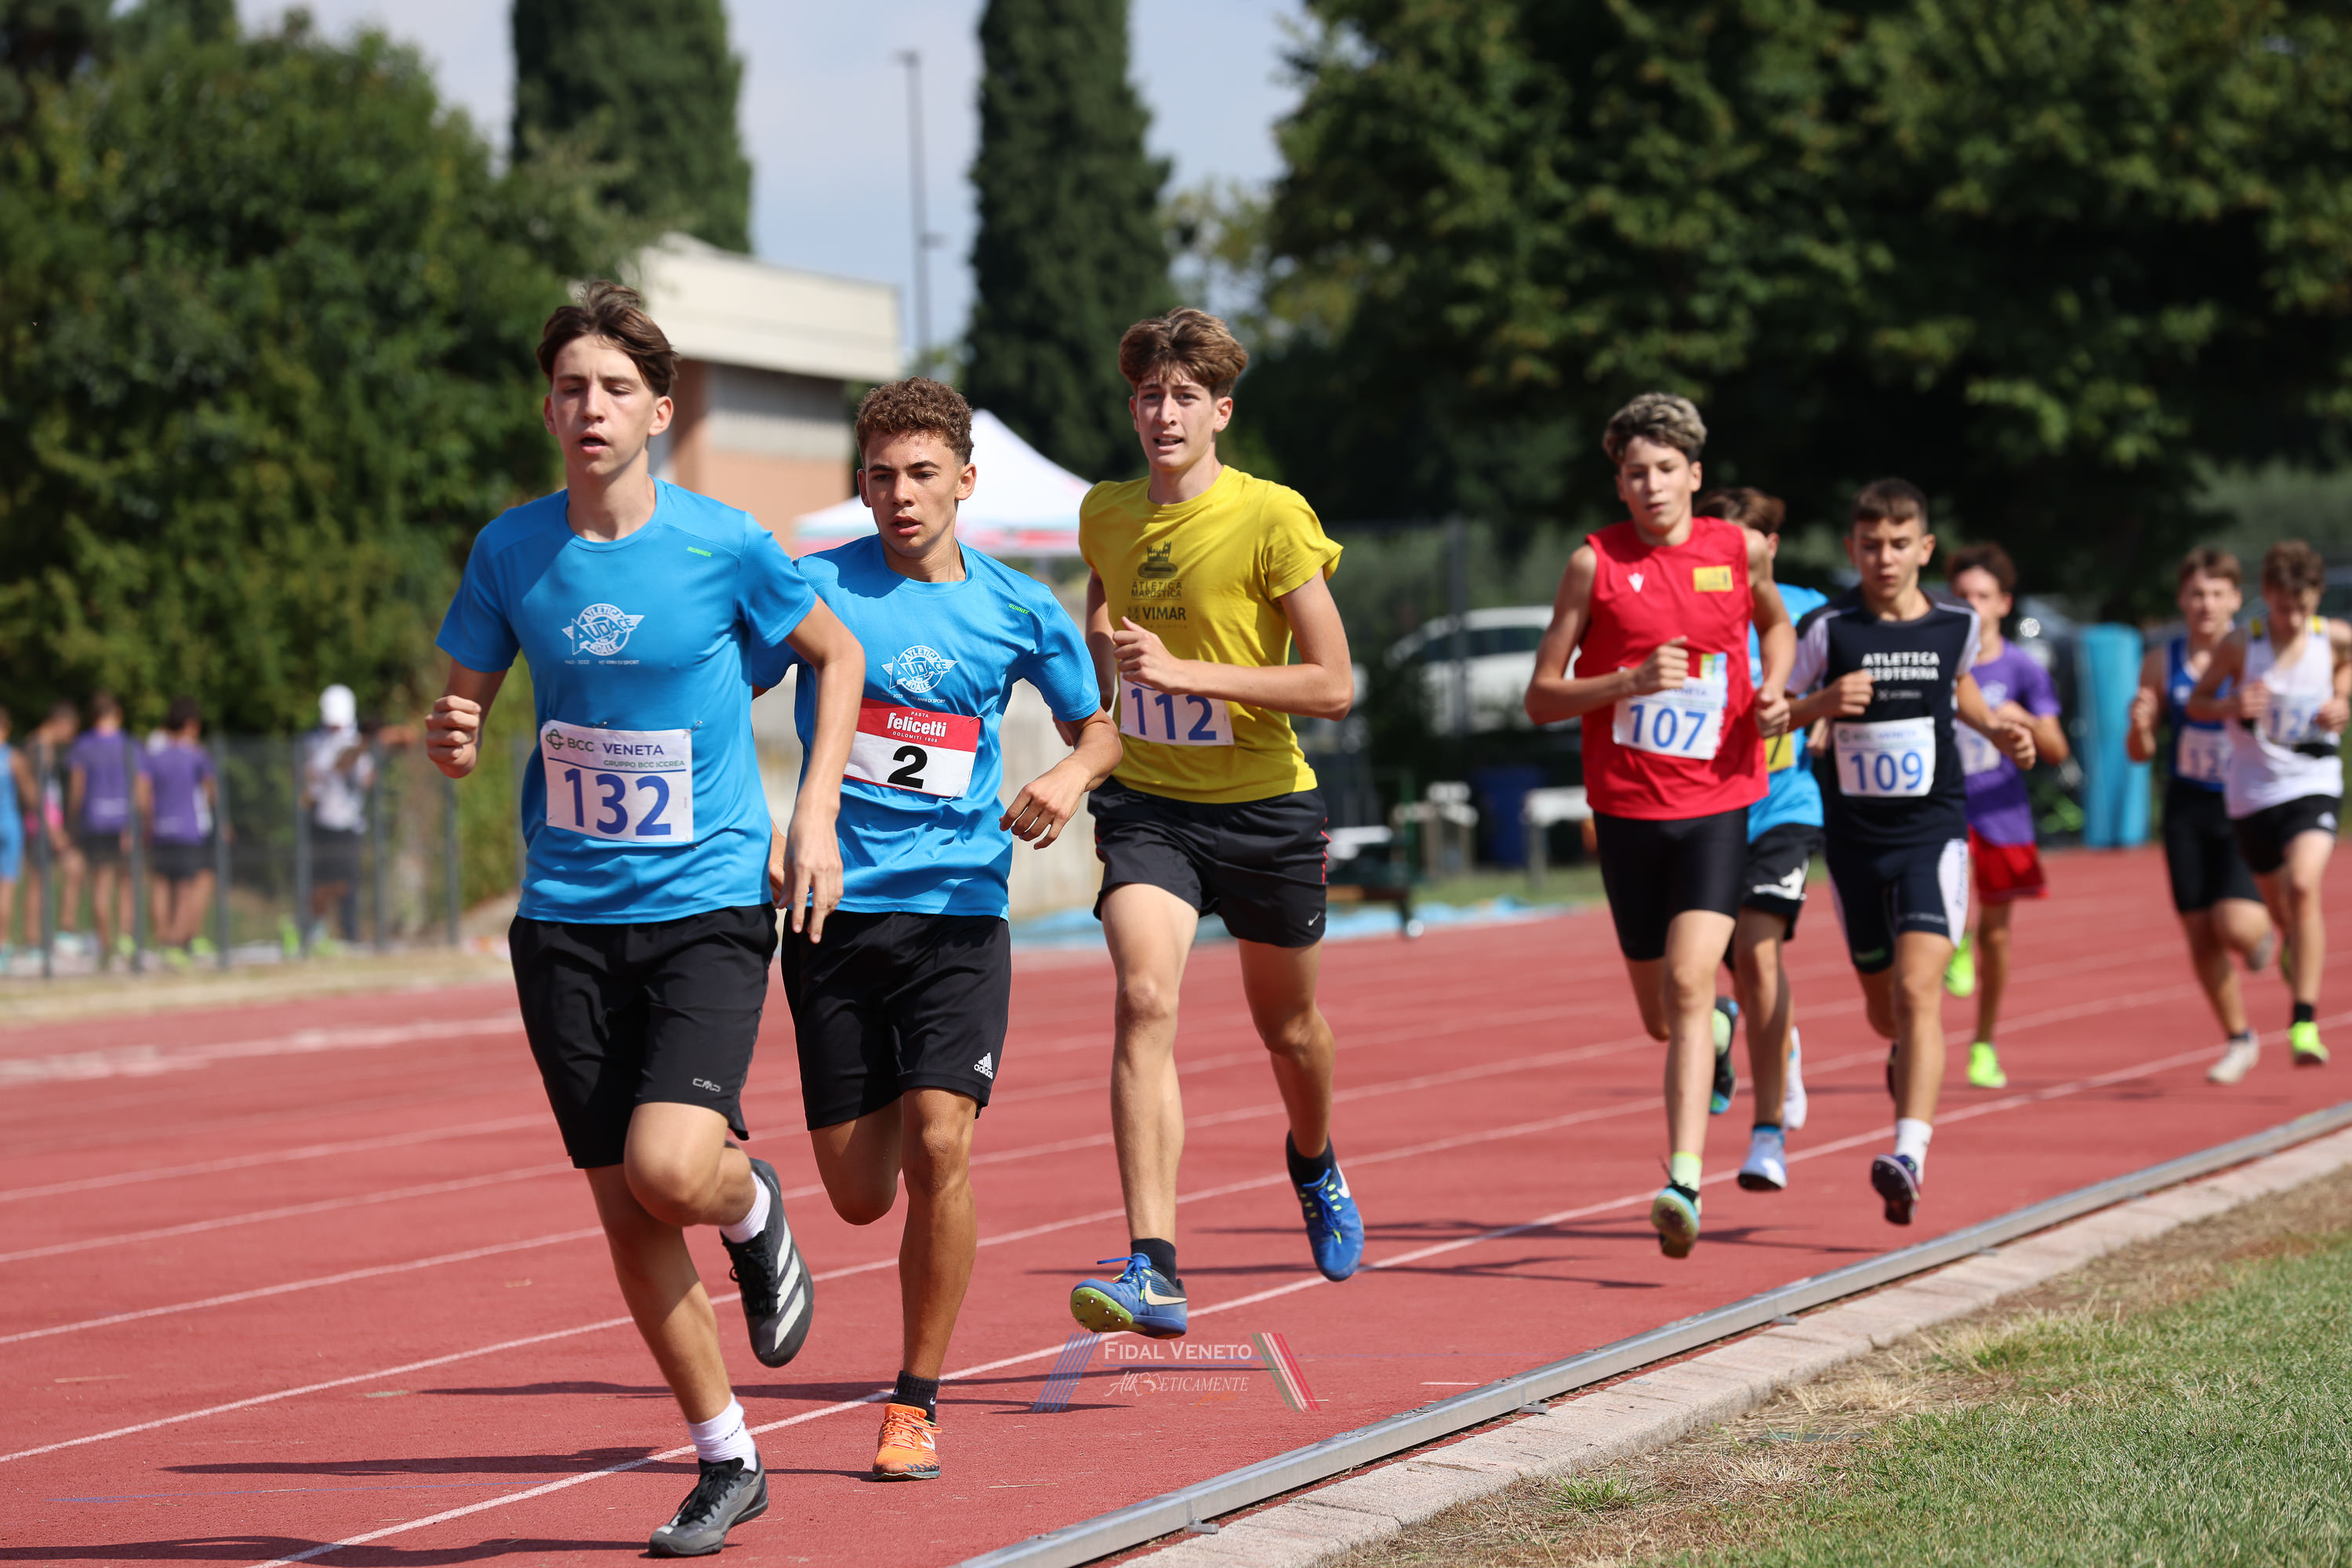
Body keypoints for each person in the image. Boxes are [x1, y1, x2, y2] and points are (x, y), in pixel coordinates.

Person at [426, 281, 865, 1556]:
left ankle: (751, 1205)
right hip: (566, 916)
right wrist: (453, 733)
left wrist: (814, 816)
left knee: (674, 1169)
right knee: (625, 1205)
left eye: (616, 388)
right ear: (547, 410)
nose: (592, 407)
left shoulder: (726, 544)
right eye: (571, 387)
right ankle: (727, 1459)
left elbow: (837, 657)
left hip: (706, 902)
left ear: (660, 412)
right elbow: (462, 707)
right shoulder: (511, 551)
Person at [754, 376, 1120, 1481]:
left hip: (960, 913)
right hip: (832, 913)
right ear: (861, 486)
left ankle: (915, 1401)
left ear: (965, 481)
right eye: (881, 476)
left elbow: (1100, 732)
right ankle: (754, 1202)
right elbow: (718, 692)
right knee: (861, 1196)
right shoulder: (815, 586)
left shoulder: (1019, 606)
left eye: (921, 474)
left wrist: (1067, 776)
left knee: (942, 1143)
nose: (901, 495)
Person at [1069, 307, 1363, 1338]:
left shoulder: (1272, 516)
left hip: (1265, 807)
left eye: (1186, 397)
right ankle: (1153, 1265)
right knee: (1144, 995)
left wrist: (1189, 672)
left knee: (1291, 1031)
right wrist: (1102, 674)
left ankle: (1314, 1160)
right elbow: (1101, 604)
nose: (1165, 414)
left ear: (1220, 412)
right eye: (1150, 396)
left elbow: (1334, 684)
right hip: (1150, 806)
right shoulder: (1105, 511)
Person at [1526, 395, 1793, 1258]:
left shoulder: (1738, 549)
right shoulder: (1593, 563)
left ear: (1695, 475)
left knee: (1687, 979)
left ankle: (1683, 1180)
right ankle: (1715, 1027)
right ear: (1620, 483)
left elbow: (1776, 624)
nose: (1652, 485)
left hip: (1718, 800)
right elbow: (1541, 697)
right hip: (1627, 810)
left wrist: (1776, 687)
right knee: (1664, 1015)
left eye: (1667, 469)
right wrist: (1627, 683)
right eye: (1636, 473)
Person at [1785, 481, 2034, 1225]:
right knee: (1885, 1009)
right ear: (1851, 548)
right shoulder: (1827, 628)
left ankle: (1909, 1154)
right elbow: (1773, 714)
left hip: (1933, 832)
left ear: (1924, 549)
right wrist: (1819, 707)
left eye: (1899, 544)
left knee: (1921, 989)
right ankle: (1905, 1055)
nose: (1885, 558)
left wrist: (1999, 731)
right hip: (1855, 843)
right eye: (1870, 545)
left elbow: (1962, 690)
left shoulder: (1955, 623)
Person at [1693, 486, 1821, 1193]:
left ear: (1770, 546)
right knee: (1717, 967)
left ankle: (1767, 1131)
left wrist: (1815, 716)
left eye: (1740, 544)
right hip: (1705, 809)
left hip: (1782, 806)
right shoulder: (1690, 604)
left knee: (1755, 949)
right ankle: (1760, 1035)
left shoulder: (1807, 611)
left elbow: (1845, 684)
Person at [2187, 539, 2349, 1070]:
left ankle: (2304, 1021)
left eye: (2303, 607)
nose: (2294, 619)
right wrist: (2232, 705)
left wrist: (2343, 696)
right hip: (2253, 793)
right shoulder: (2242, 644)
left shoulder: (2331, 637)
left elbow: (2349, 663)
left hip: (2312, 781)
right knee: (2283, 911)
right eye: (2284, 608)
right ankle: (2292, 946)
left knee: (2303, 887)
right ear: (2268, 596)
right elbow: (2197, 702)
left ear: (2316, 598)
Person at [2127, 549, 2278, 1083]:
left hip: (2247, 801)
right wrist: (2140, 726)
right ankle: (2239, 1038)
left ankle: (2265, 933)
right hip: (2188, 807)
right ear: (2181, 600)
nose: (2206, 604)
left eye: (2217, 594)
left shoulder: (2258, 653)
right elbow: (2139, 753)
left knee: (2232, 924)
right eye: (2196, 594)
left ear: (2236, 598)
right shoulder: (2160, 661)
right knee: (2199, 933)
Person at [1942, 543, 2070, 1088]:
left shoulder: (2021, 668)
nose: (1972, 604)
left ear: (2003, 604)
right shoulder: (1935, 657)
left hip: (2001, 810)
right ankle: (1956, 937)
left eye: (1983, 595)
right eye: (1962, 595)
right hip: (1944, 805)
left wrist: (2026, 721)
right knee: (1941, 899)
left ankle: (1984, 1042)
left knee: (1997, 936)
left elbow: (2058, 751)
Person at [142, 697, 221, 966]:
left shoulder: (155, 757)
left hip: (160, 828)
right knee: (186, 886)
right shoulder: (197, 755)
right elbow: (211, 792)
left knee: (161, 883)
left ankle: (163, 939)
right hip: (189, 829)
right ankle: (177, 942)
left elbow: (144, 793)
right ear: (191, 725)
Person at [66, 691, 140, 966]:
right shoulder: (129, 744)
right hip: (124, 822)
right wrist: (136, 823)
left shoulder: (83, 745)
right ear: (117, 713)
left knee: (100, 885)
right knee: (127, 883)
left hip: (94, 821)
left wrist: (73, 821)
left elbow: (76, 789)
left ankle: (104, 946)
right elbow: (139, 787)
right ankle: (125, 942)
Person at [303, 684, 373, 948]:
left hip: (349, 822)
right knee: (322, 880)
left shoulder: (356, 742)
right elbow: (310, 777)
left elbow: (366, 777)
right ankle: (316, 930)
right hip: (322, 820)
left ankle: (349, 932)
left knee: (347, 882)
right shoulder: (315, 742)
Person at [0, 706, 31, 967]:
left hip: (9, 826)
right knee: (6, 891)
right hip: (9, 826)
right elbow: (30, 794)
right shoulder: (13, 758)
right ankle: (3, 945)